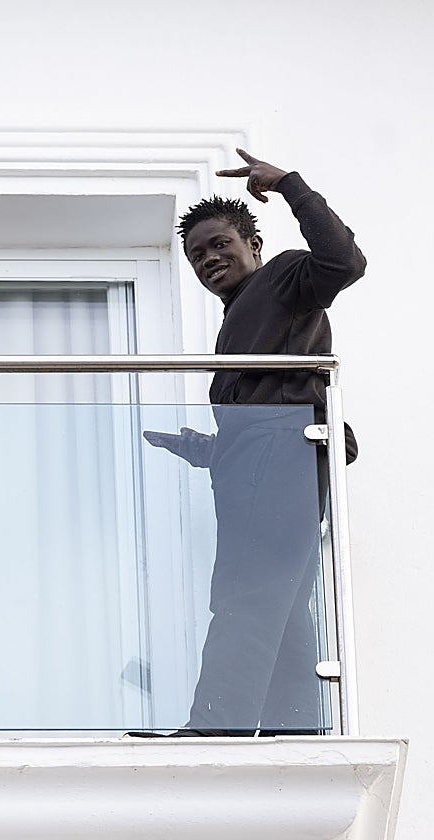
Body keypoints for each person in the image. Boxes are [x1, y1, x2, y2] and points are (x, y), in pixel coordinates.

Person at [141, 149, 366, 736]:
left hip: (282, 458)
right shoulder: (239, 320)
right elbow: (255, 419)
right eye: (197, 255)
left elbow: (345, 262)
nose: (209, 258)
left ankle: (215, 726)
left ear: (253, 246)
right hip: (260, 467)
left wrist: (290, 184)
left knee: (248, 593)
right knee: (284, 605)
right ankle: (297, 730)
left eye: (221, 244)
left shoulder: (285, 276)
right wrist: (198, 447)